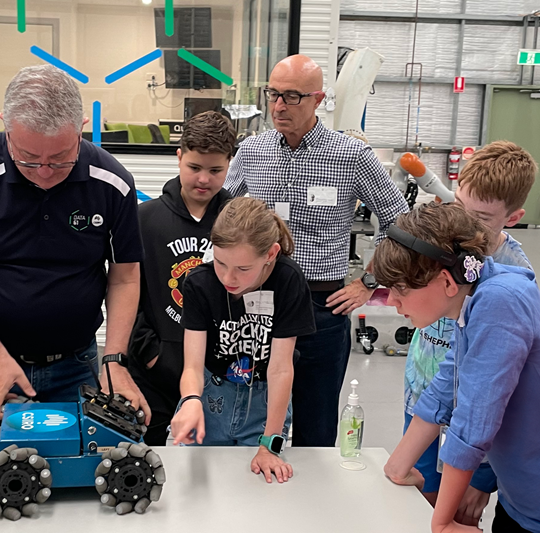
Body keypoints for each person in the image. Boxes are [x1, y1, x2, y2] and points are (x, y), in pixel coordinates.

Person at [0, 65, 149, 440]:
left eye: (60, 158)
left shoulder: (112, 182)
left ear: (82, 127)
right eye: (27, 157)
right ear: (5, 124)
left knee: (79, 477)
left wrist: (114, 359)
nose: (43, 172)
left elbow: (125, 276)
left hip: (76, 363)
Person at [224, 54, 408, 447]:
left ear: (318, 99)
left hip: (320, 309)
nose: (278, 106)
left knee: (317, 425)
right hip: (257, 306)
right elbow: (223, 220)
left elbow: (399, 221)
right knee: (245, 416)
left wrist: (369, 283)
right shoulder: (251, 153)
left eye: (291, 96)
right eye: (273, 94)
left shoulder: (351, 156)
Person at [376, 202, 540, 533]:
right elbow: (445, 388)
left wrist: (441, 522)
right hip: (520, 498)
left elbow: (474, 421)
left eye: (400, 289)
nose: (392, 301)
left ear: (446, 282)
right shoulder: (477, 295)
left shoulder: (501, 303)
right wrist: (399, 465)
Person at [402, 141, 537, 524]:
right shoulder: (445, 239)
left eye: (480, 218)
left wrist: (482, 477)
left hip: (473, 420)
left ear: (513, 217)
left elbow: (498, 391)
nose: (463, 225)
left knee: (455, 511)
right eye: (459, 207)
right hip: (423, 388)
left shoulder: (512, 278)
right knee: (417, 498)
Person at [170, 197, 316, 483]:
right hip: (211, 393)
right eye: (220, 263)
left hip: (265, 399)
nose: (228, 277)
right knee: (192, 482)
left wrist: (269, 443)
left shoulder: (288, 281)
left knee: (256, 488)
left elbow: (281, 369)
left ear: (271, 254)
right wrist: (190, 400)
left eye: (243, 269)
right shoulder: (199, 283)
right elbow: (193, 366)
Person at [128, 111, 236, 446]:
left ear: (230, 164)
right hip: (154, 372)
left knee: (214, 470)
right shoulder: (143, 219)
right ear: (178, 157)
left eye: (215, 170)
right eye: (194, 167)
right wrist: (150, 352)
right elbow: (126, 291)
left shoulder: (239, 224)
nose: (204, 179)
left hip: (220, 374)